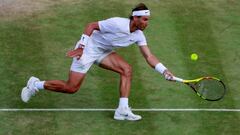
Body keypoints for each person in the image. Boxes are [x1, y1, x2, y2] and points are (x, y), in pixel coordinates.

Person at [21, 3, 174, 121]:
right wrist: (81, 47)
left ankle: (122, 110)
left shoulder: (139, 35)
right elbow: (91, 26)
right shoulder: (116, 23)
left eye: (148, 20)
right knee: (71, 88)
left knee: (126, 70)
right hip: (88, 49)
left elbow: (149, 56)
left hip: (104, 52)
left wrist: (164, 71)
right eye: (145, 20)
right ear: (135, 18)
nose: (147, 23)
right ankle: (36, 85)